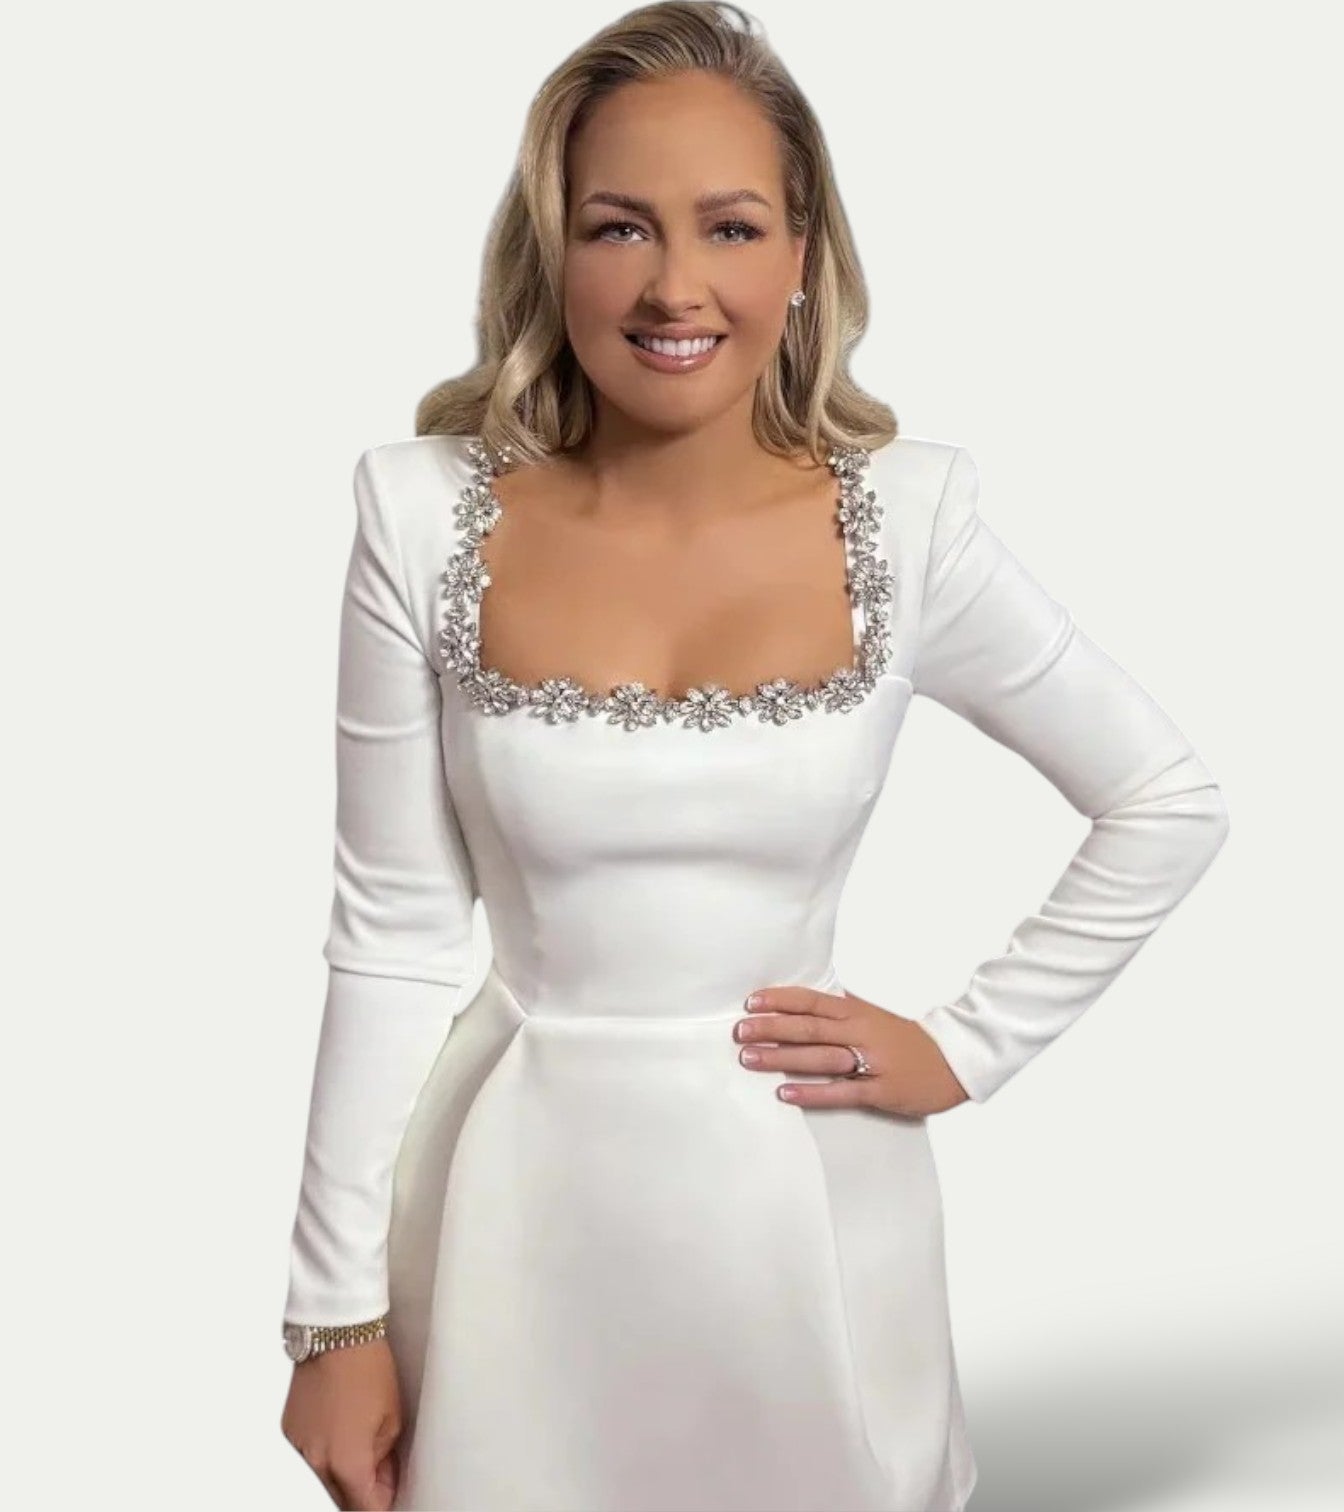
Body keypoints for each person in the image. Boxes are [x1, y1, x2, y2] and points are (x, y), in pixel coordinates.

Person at [277, 3, 1230, 1508]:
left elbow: (1164, 801)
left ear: (802, 257)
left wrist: (968, 1047)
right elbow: (391, 936)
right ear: (551, 252)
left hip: (809, 1205)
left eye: (729, 227)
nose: (675, 285)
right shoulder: (417, 511)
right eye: (618, 227)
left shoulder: (909, 522)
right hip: (510, 1213)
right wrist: (331, 1316)